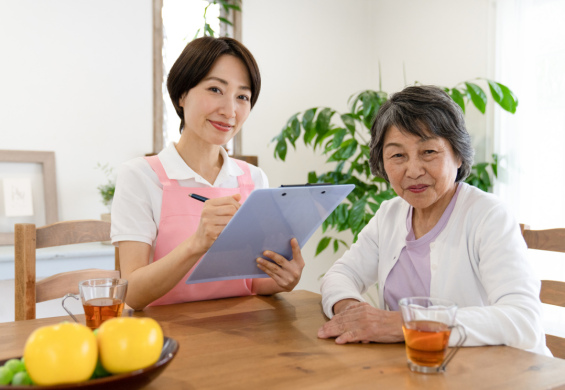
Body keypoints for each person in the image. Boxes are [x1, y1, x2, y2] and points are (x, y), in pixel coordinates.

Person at [317, 85, 550, 355]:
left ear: (458, 154)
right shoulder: (389, 215)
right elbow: (341, 274)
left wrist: (408, 324)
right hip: (415, 370)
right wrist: (352, 311)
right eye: (397, 155)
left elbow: (523, 320)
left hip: (494, 375)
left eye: (428, 152)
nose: (413, 170)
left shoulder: (489, 216)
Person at [111, 37, 305, 310]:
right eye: (215, 89)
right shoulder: (140, 176)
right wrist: (197, 243)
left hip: (243, 333)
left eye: (242, 97)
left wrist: (285, 278)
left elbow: (256, 283)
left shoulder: (253, 179)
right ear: (181, 95)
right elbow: (132, 294)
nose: (229, 111)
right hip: (163, 338)